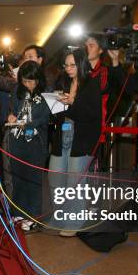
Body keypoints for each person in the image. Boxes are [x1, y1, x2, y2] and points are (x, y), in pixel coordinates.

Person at [48, 48, 101, 236]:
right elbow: (56, 116)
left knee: (75, 183)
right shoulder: (63, 82)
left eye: (72, 65)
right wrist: (56, 104)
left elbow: (91, 114)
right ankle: (59, 217)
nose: (69, 69)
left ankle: (74, 222)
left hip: (82, 140)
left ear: (81, 64)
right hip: (61, 137)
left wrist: (72, 103)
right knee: (55, 179)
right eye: (66, 65)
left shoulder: (91, 84)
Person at [8, 60, 50, 231]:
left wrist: (30, 124)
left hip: (36, 142)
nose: (26, 84)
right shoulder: (18, 92)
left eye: (30, 81)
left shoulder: (45, 96)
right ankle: (18, 211)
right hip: (17, 140)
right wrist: (11, 116)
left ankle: (33, 216)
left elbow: (46, 119)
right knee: (18, 176)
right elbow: (11, 110)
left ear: (38, 79)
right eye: (24, 81)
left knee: (33, 179)